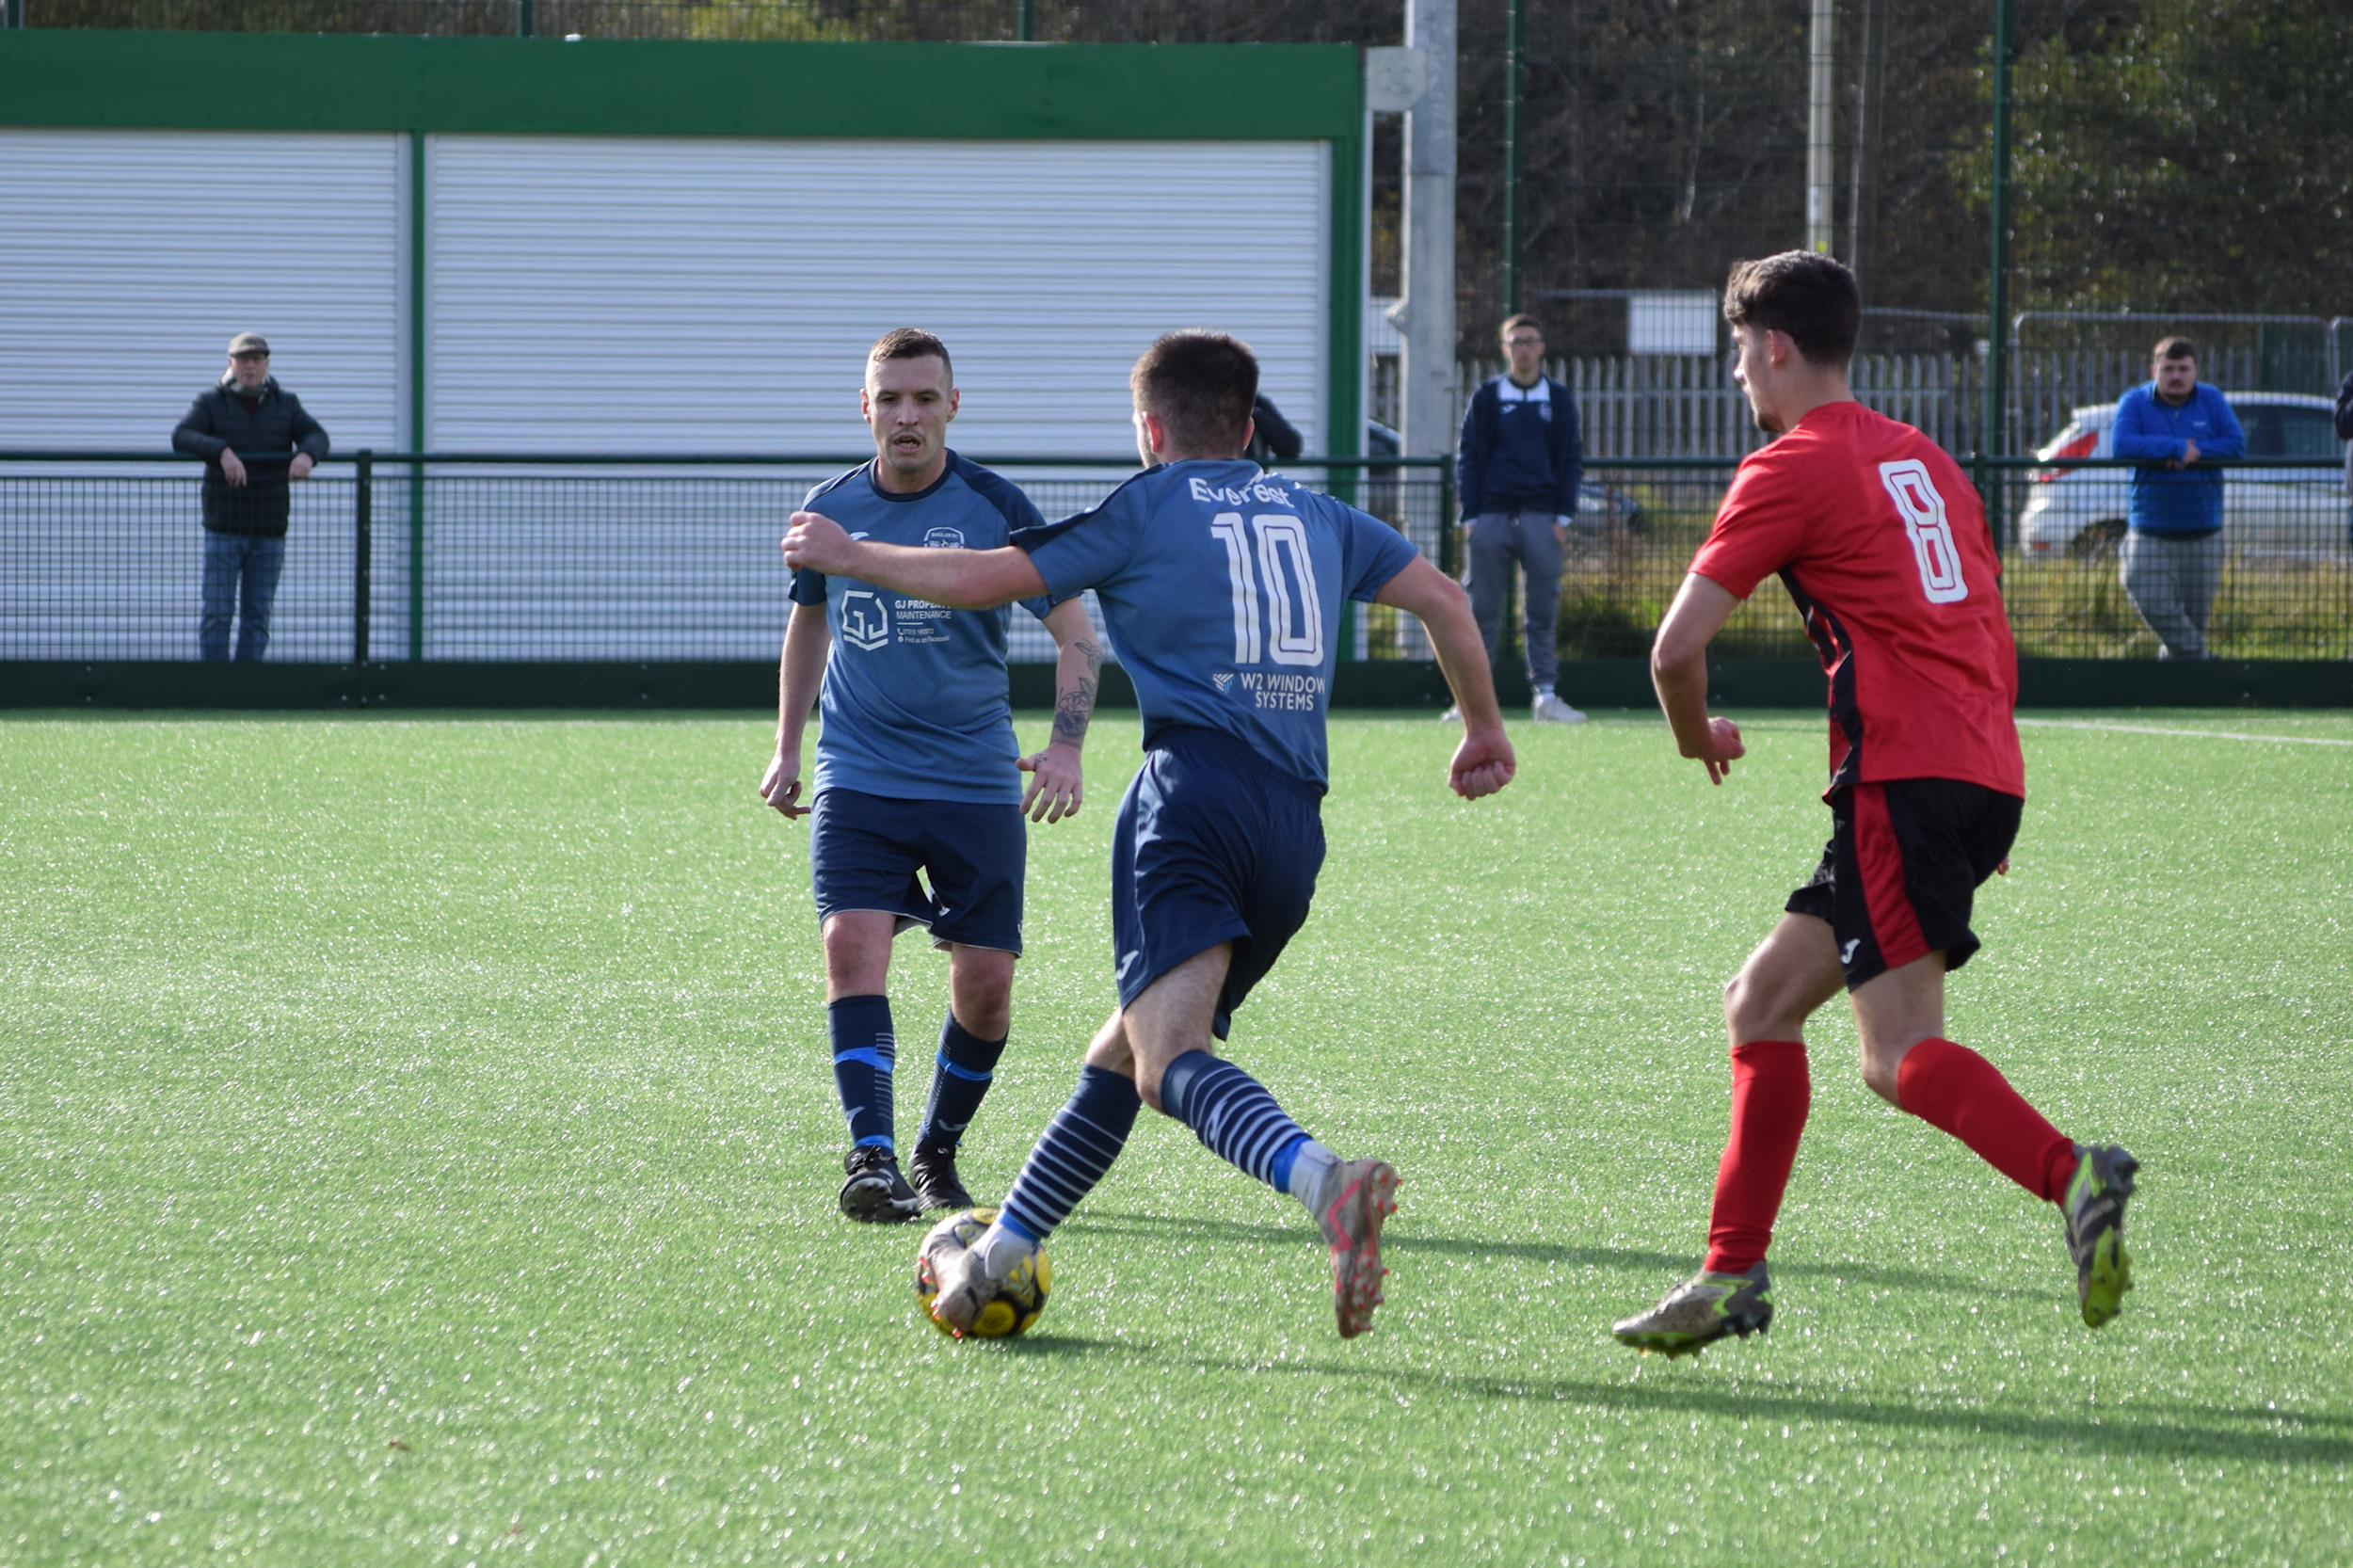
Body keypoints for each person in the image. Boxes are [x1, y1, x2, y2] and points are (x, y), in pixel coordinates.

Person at [783, 330, 1516, 1338]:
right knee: (1126, 1049)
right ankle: (999, 1254)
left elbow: (988, 580)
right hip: (1294, 823)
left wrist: (850, 554)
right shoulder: (1319, 513)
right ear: (1250, 428)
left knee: (1169, 1059)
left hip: (1191, 798)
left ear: (1148, 430)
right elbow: (1444, 599)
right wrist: (1482, 727)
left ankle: (1323, 1182)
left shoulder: (1146, 506)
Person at [1609, 252, 2137, 1359]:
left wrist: (1692, 734)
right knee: (1759, 1001)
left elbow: (1673, 652)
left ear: (1775, 348)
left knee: (1892, 1054)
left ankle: (2071, 1175)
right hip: (1973, 767)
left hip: (1905, 775)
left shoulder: (1789, 464)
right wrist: (1977, 788)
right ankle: (1729, 1272)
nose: (1739, 374)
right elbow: (1985, 629)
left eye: (1741, 351)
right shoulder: (1930, 462)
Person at [759, 328, 1102, 1224]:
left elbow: (1075, 632)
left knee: (986, 983)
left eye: (923, 398)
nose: (905, 415)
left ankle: (935, 1151)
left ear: (954, 405)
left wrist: (1066, 744)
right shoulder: (829, 509)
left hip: (974, 779)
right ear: (863, 408)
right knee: (849, 945)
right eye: (889, 399)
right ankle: (871, 1156)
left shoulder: (996, 505)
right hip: (860, 772)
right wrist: (789, 745)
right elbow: (810, 626)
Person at [1453, 313, 1587, 724]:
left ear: (1542, 347)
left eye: (1530, 340)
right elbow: (1469, 458)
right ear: (1505, 348)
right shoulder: (1487, 397)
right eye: (1516, 342)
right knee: (1481, 610)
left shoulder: (1559, 399)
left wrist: (1562, 517)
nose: (1523, 348)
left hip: (1542, 518)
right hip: (1491, 517)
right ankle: (1472, 704)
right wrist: (1471, 517)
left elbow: (1570, 459)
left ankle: (1545, 696)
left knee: (1542, 609)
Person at [170, 332, 330, 662]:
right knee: (217, 612)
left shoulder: (286, 404)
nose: (250, 366)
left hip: (270, 527)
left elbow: (316, 435)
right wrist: (222, 451)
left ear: (267, 364)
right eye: (243, 359)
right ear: (231, 363)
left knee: (257, 616)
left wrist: (306, 456)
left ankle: (248, 691)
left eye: (257, 359)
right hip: (224, 525)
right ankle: (216, 690)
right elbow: (182, 436)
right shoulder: (210, 402)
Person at [2109, 338, 2245, 660]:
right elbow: (2122, 445)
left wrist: (2195, 452)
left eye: (2183, 368)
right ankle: (2201, 658)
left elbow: (2236, 445)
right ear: (2154, 369)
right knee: (2146, 594)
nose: (2176, 376)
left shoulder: (2211, 399)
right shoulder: (2134, 402)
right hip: (2150, 529)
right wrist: (2173, 447)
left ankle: (2182, 688)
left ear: (2195, 370)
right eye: (2168, 368)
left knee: (2192, 623)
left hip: (2203, 529)